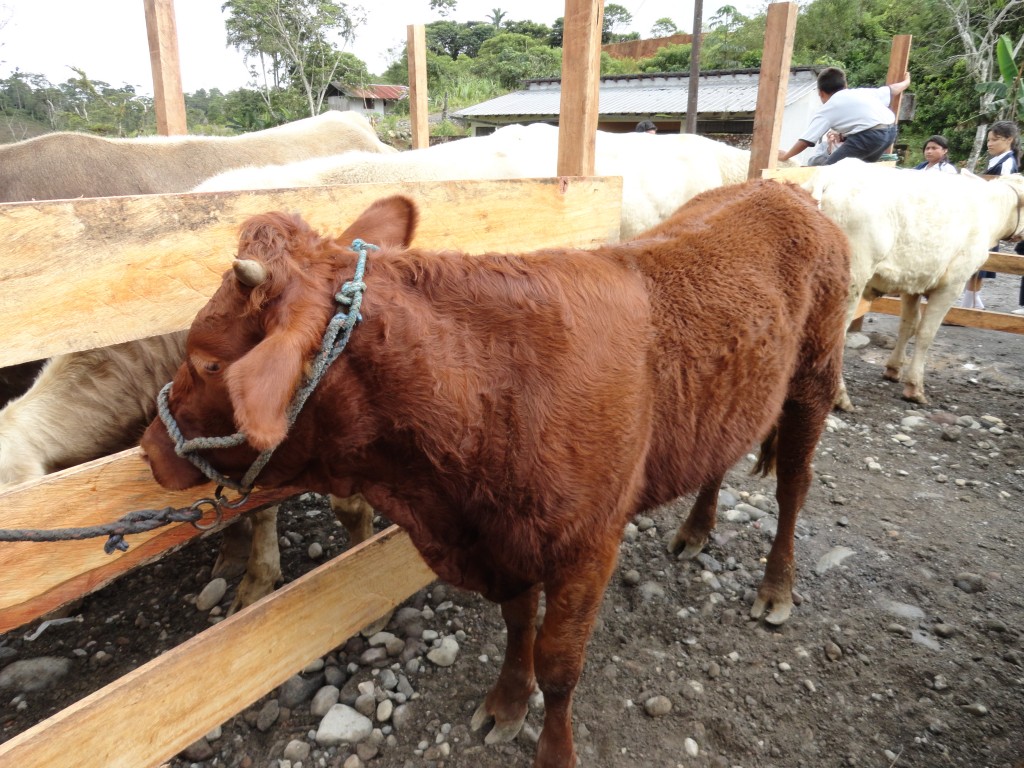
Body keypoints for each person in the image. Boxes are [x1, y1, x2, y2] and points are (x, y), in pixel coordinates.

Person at [778, 67, 911, 165]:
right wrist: (906, 82)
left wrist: (786, 156)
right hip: (891, 132)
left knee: (829, 171)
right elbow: (892, 89)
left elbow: (806, 140)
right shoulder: (861, 92)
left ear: (821, 93)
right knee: (859, 169)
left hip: (869, 137)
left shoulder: (828, 108)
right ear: (845, 85)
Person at [964, 121, 1021, 309]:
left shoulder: (1007, 163)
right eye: (989, 140)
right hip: (986, 215)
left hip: (994, 218)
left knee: (980, 258)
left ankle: (970, 303)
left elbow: (1003, 191)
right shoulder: (997, 161)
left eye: (995, 140)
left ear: (1009, 140)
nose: (990, 144)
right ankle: (972, 302)